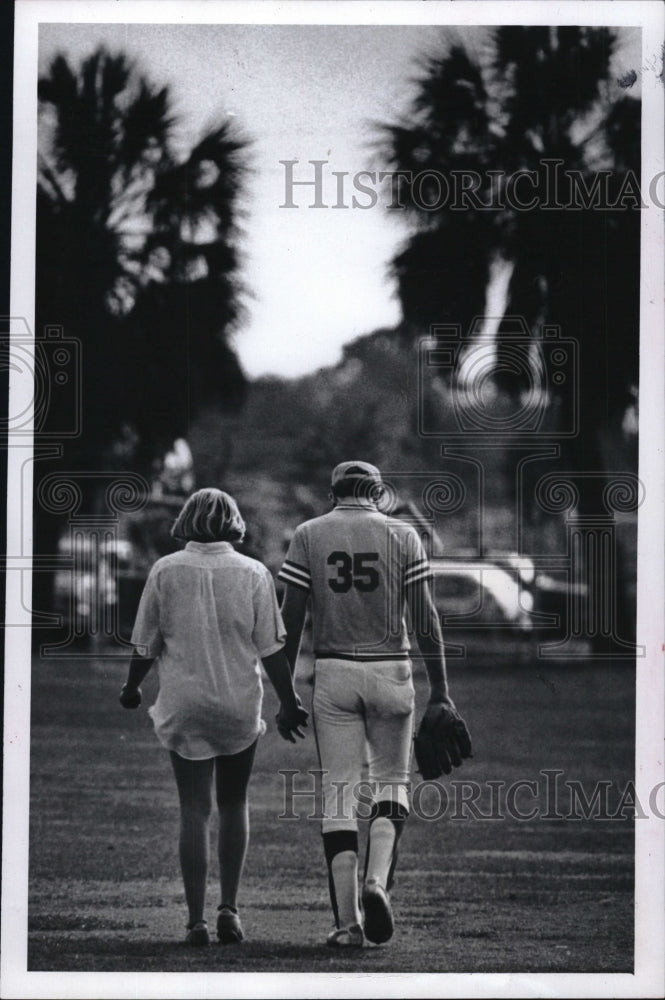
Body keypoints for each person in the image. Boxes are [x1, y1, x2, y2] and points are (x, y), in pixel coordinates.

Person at [278, 461, 469, 947]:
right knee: (392, 784)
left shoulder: (308, 533)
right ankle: (377, 881)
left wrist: (285, 695)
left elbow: (292, 620)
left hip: (335, 671)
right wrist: (441, 690)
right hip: (393, 670)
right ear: (380, 492)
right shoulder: (404, 535)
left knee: (339, 793)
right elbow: (426, 619)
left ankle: (347, 925)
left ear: (332, 491)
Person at [119, 488, 308, 947]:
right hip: (238, 703)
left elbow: (146, 643)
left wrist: (131, 686)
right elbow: (273, 649)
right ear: (234, 523)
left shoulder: (165, 570)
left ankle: (195, 920)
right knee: (234, 803)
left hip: (185, 702)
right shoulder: (253, 573)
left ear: (187, 519)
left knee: (193, 809)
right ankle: (230, 909)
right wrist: (289, 700)